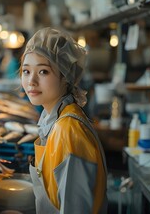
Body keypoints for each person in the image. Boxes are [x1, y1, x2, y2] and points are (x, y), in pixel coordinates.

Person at [20, 27, 108, 214]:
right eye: (26, 71)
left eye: (43, 72)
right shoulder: (55, 118)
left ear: (66, 77)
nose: (31, 81)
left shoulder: (68, 131)